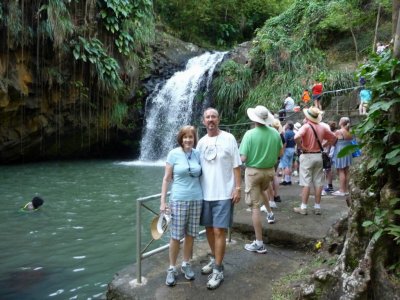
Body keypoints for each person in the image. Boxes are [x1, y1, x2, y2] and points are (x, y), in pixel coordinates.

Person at [197, 108, 242, 290]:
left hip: (224, 193)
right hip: (205, 194)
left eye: (213, 116)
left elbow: (236, 165)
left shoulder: (229, 139)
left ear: (219, 119)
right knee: (209, 229)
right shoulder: (200, 142)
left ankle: (218, 269)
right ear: (203, 121)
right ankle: (215, 259)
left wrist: (238, 188)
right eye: (207, 117)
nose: (210, 120)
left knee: (218, 231)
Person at [160, 125, 203, 287]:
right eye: (185, 137)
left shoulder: (198, 154)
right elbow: (166, 179)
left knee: (191, 235)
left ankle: (186, 264)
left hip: (197, 199)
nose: (188, 140)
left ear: (194, 139)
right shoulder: (173, 154)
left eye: (191, 137)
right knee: (176, 236)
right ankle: (171, 268)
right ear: (181, 138)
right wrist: (163, 201)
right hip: (178, 199)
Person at [239, 105, 283, 253]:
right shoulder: (275, 133)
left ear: (254, 119)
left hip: (253, 173)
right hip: (269, 172)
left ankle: (259, 243)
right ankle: (270, 214)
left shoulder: (249, 134)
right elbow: (280, 153)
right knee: (263, 190)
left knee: (255, 207)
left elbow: (243, 158)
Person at [293, 107, 336, 215]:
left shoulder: (306, 126)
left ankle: (303, 207)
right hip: (318, 156)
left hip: (307, 156)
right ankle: (317, 207)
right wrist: (324, 145)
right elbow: (334, 138)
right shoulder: (322, 127)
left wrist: (301, 146)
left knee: (306, 182)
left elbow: (297, 136)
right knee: (318, 182)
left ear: (308, 117)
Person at [332, 117, 353, 196]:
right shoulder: (349, 132)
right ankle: (346, 189)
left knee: (341, 170)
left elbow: (333, 142)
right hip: (348, 151)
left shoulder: (339, 131)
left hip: (340, 151)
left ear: (341, 122)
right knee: (346, 170)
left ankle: (342, 190)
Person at [280, 121, 296, 186]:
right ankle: (289, 180)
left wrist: (282, 151)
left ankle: (286, 180)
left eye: (286, 124)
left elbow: (285, 142)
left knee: (285, 165)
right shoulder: (293, 133)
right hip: (292, 148)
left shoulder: (286, 133)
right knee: (289, 165)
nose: (285, 125)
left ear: (289, 126)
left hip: (287, 149)